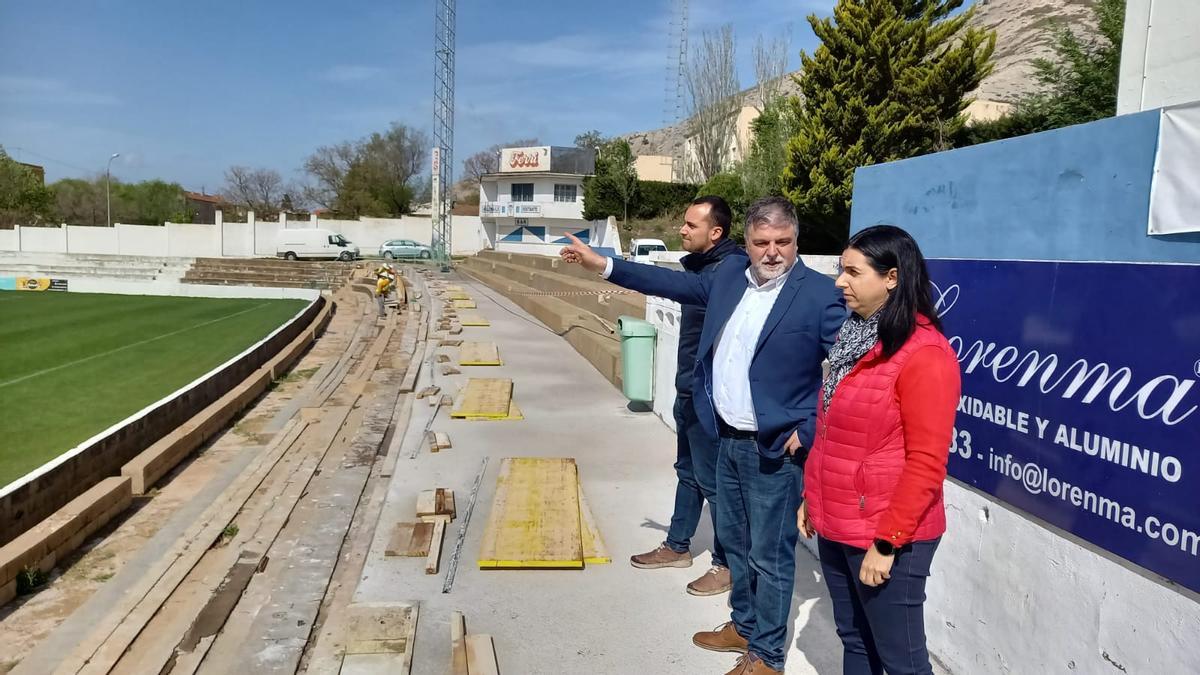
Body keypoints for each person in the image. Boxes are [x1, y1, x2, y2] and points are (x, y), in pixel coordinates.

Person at [561, 196, 845, 675]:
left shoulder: (820, 294)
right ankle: (744, 624)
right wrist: (604, 265)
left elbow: (848, 372)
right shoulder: (729, 277)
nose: (773, 252)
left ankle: (768, 656)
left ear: (797, 241)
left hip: (775, 449)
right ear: (748, 243)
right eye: (762, 242)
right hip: (724, 438)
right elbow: (668, 282)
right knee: (734, 543)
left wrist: (812, 428)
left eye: (784, 242)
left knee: (769, 557)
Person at [798, 225, 961, 675]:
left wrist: (887, 544)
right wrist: (812, 497)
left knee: (902, 661)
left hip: (889, 534)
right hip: (837, 521)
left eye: (853, 272)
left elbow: (927, 463)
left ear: (891, 278)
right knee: (854, 639)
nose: (839, 281)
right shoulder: (854, 338)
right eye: (840, 270)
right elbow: (833, 432)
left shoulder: (925, 354)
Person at [629, 196, 747, 598]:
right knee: (688, 472)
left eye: (690, 226)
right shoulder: (701, 267)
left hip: (708, 397)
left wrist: (604, 266)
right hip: (687, 388)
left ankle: (727, 563)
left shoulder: (728, 271)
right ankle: (678, 546)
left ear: (715, 233)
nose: (681, 230)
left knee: (716, 483)